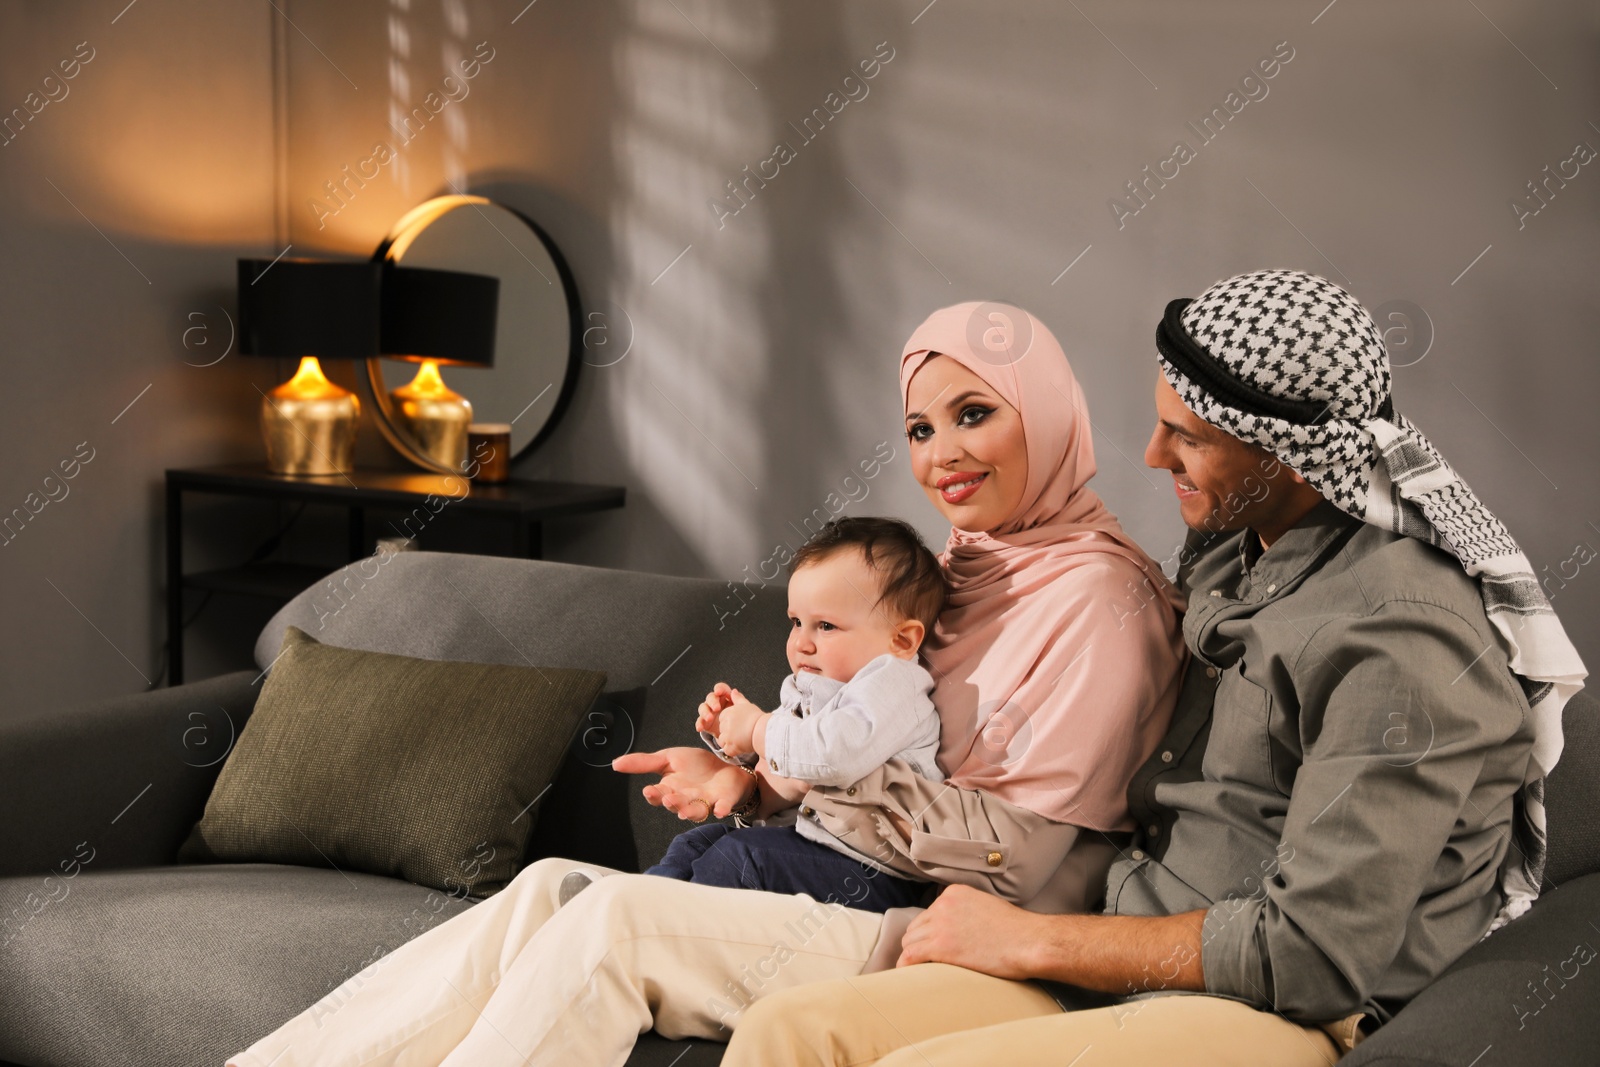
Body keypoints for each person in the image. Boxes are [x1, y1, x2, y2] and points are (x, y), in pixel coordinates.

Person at [225, 301, 1186, 1067]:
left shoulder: (1102, 597)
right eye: (922, 428)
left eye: (976, 414)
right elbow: (882, 744)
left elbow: (1016, 863)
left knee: (615, 921)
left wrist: (794, 759)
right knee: (547, 885)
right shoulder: (955, 573)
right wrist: (755, 781)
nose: (942, 456)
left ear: (1049, 415)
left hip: (947, 933)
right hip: (869, 886)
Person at [721, 269, 1588, 1067]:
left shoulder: (1403, 637)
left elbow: (1313, 956)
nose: (1150, 456)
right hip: (1127, 934)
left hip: (1275, 1009)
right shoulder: (1239, 549)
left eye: (1187, 436)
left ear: (1287, 452)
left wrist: (1033, 939)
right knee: (789, 1030)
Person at [565, 516, 949, 913]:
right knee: (694, 843)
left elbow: (834, 754)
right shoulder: (810, 688)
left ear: (902, 640)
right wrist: (738, 748)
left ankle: (648, 918)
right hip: (811, 846)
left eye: (827, 626)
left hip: (875, 872)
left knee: (741, 856)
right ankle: (625, 904)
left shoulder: (894, 683)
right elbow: (788, 772)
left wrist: (759, 728)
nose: (802, 642)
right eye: (797, 622)